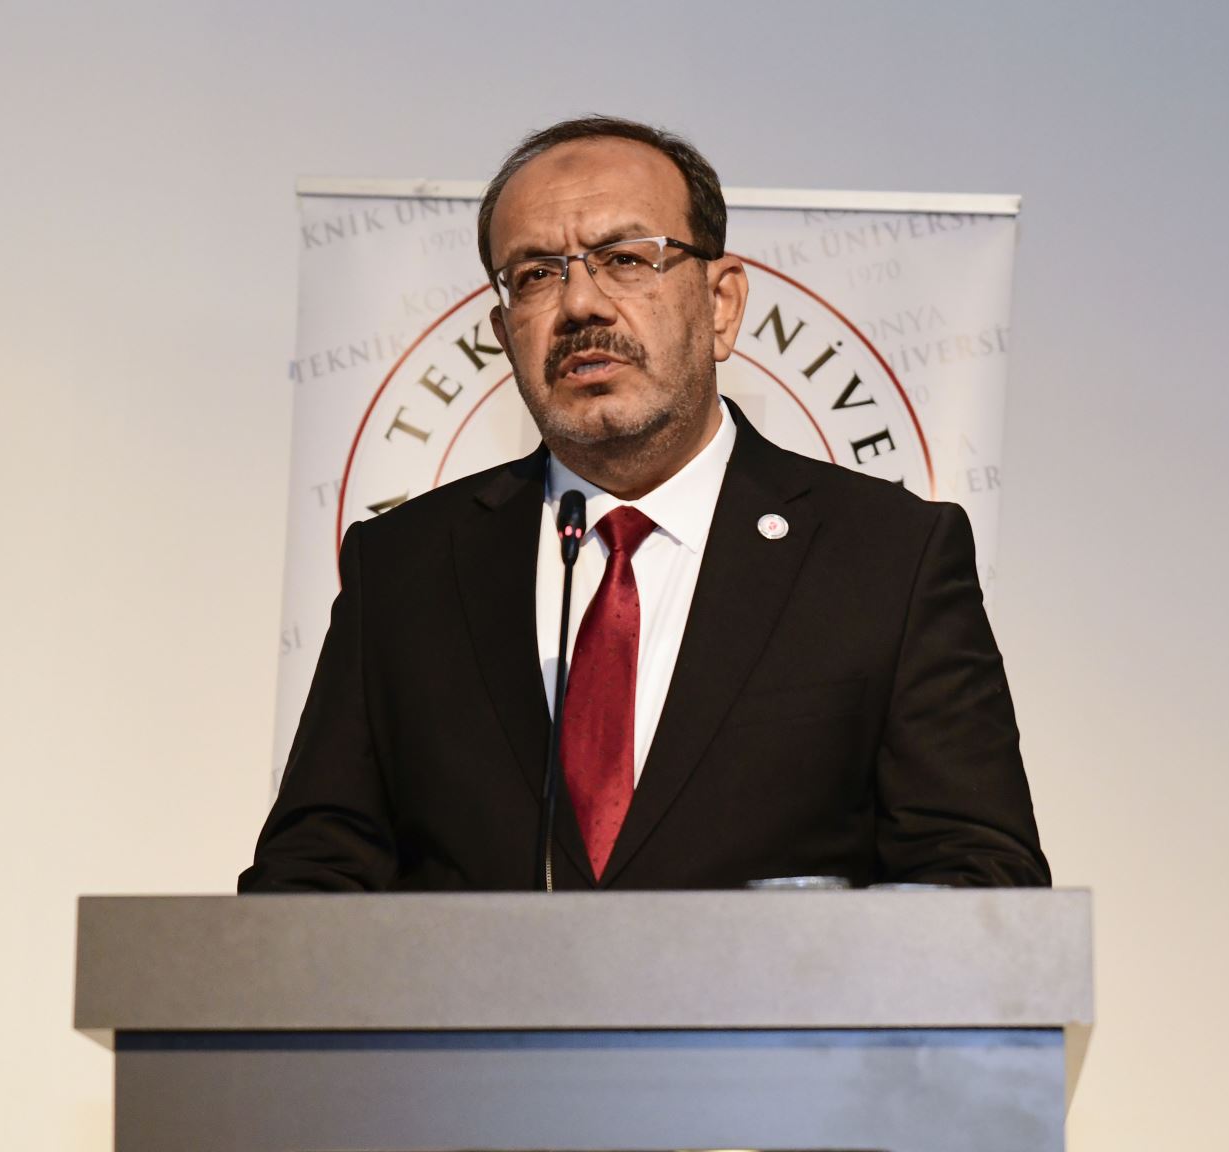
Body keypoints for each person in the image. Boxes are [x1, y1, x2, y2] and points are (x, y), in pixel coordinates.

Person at [239, 116, 1049, 893]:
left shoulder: (887, 558)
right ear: (505, 332)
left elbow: (978, 881)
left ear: (722, 304)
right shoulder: (403, 568)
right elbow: (310, 881)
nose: (580, 305)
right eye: (536, 274)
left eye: (626, 258)